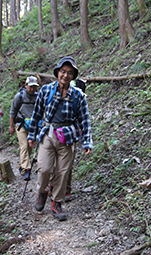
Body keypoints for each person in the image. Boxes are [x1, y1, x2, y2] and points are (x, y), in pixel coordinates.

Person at [27, 56, 93, 221]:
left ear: (73, 76)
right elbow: (36, 114)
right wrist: (32, 135)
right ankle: (42, 193)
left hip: (68, 136)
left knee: (63, 173)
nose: (65, 75)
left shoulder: (78, 95)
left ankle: (57, 203)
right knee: (44, 168)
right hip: (48, 134)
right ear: (58, 72)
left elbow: (85, 120)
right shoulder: (46, 90)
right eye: (63, 71)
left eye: (69, 73)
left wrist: (87, 141)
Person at [9, 76, 39, 181]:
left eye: (34, 87)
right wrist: (11, 126)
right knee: (24, 146)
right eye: (30, 86)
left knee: (30, 148)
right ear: (25, 85)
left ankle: (22, 165)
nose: (32, 89)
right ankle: (26, 169)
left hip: (32, 126)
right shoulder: (20, 96)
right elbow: (13, 111)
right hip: (20, 124)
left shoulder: (38, 97)